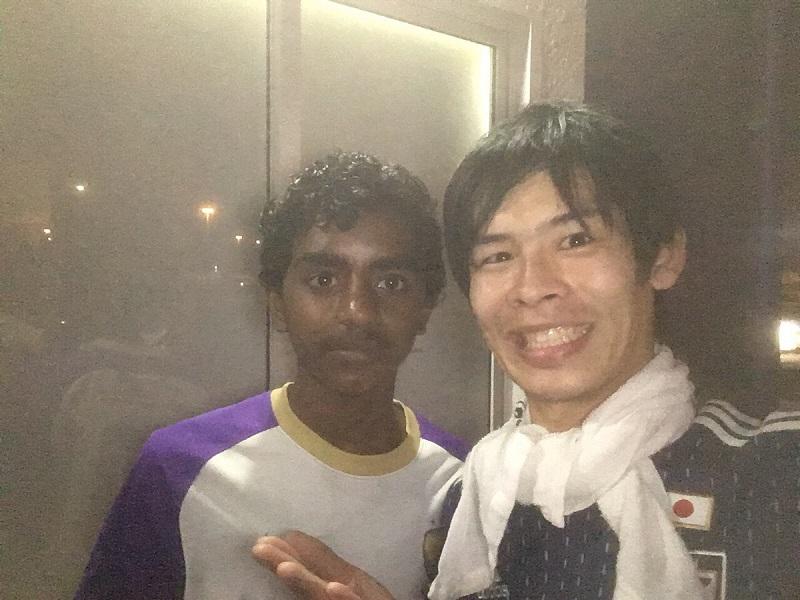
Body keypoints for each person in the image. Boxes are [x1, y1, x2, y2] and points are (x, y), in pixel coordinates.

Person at [252, 103, 800, 599]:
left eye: (576, 239)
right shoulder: (472, 497)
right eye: (497, 256)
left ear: (662, 256)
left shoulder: (773, 471)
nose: (533, 287)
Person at [74, 151, 467, 599]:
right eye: (323, 279)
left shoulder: (463, 482)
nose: (356, 311)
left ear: (425, 308)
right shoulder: (180, 467)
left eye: (390, 282)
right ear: (277, 301)